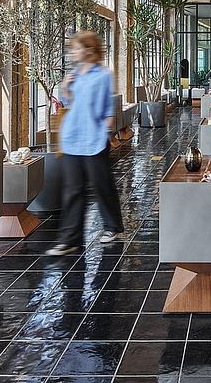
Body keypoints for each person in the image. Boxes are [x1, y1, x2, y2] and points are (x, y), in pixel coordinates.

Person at [47, 31, 124, 256]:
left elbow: (108, 106)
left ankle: (112, 226)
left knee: (101, 185)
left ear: (89, 49)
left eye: (77, 48)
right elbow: (71, 102)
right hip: (72, 137)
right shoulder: (75, 74)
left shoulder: (103, 75)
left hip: (94, 137)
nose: (74, 52)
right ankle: (70, 239)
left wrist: (108, 128)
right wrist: (66, 88)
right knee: (72, 190)